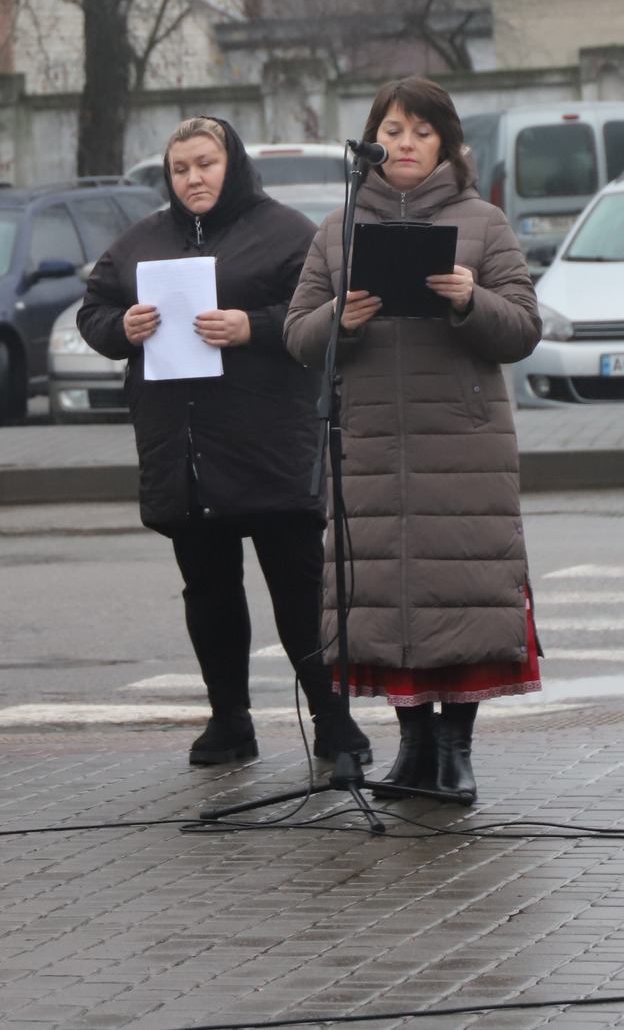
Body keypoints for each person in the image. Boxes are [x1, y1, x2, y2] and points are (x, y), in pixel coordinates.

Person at [79, 116, 371, 769]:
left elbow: (328, 314)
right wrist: (122, 326)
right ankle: (229, 721)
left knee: (298, 589)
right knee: (208, 592)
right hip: (184, 453)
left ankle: (334, 723)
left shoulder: (288, 231)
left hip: (269, 444)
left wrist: (254, 326)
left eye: (205, 164)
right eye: (180, 169)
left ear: (231, 162)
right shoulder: (141, 242)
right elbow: (92, 311)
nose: (193, 179)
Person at [282, 78, 543, 806]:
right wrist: (342, 314)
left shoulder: (483, 221)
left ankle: (456, 751)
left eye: (421, 133)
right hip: (368, 443)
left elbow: (523, 326)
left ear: (447, 145)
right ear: (371, 140)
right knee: (386, 595)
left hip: (461, 442)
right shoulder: (337, 229)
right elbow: (296, 336)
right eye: (392, 130)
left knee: (459, 589)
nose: (404, 144)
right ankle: (411, 747)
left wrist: (468, 299)